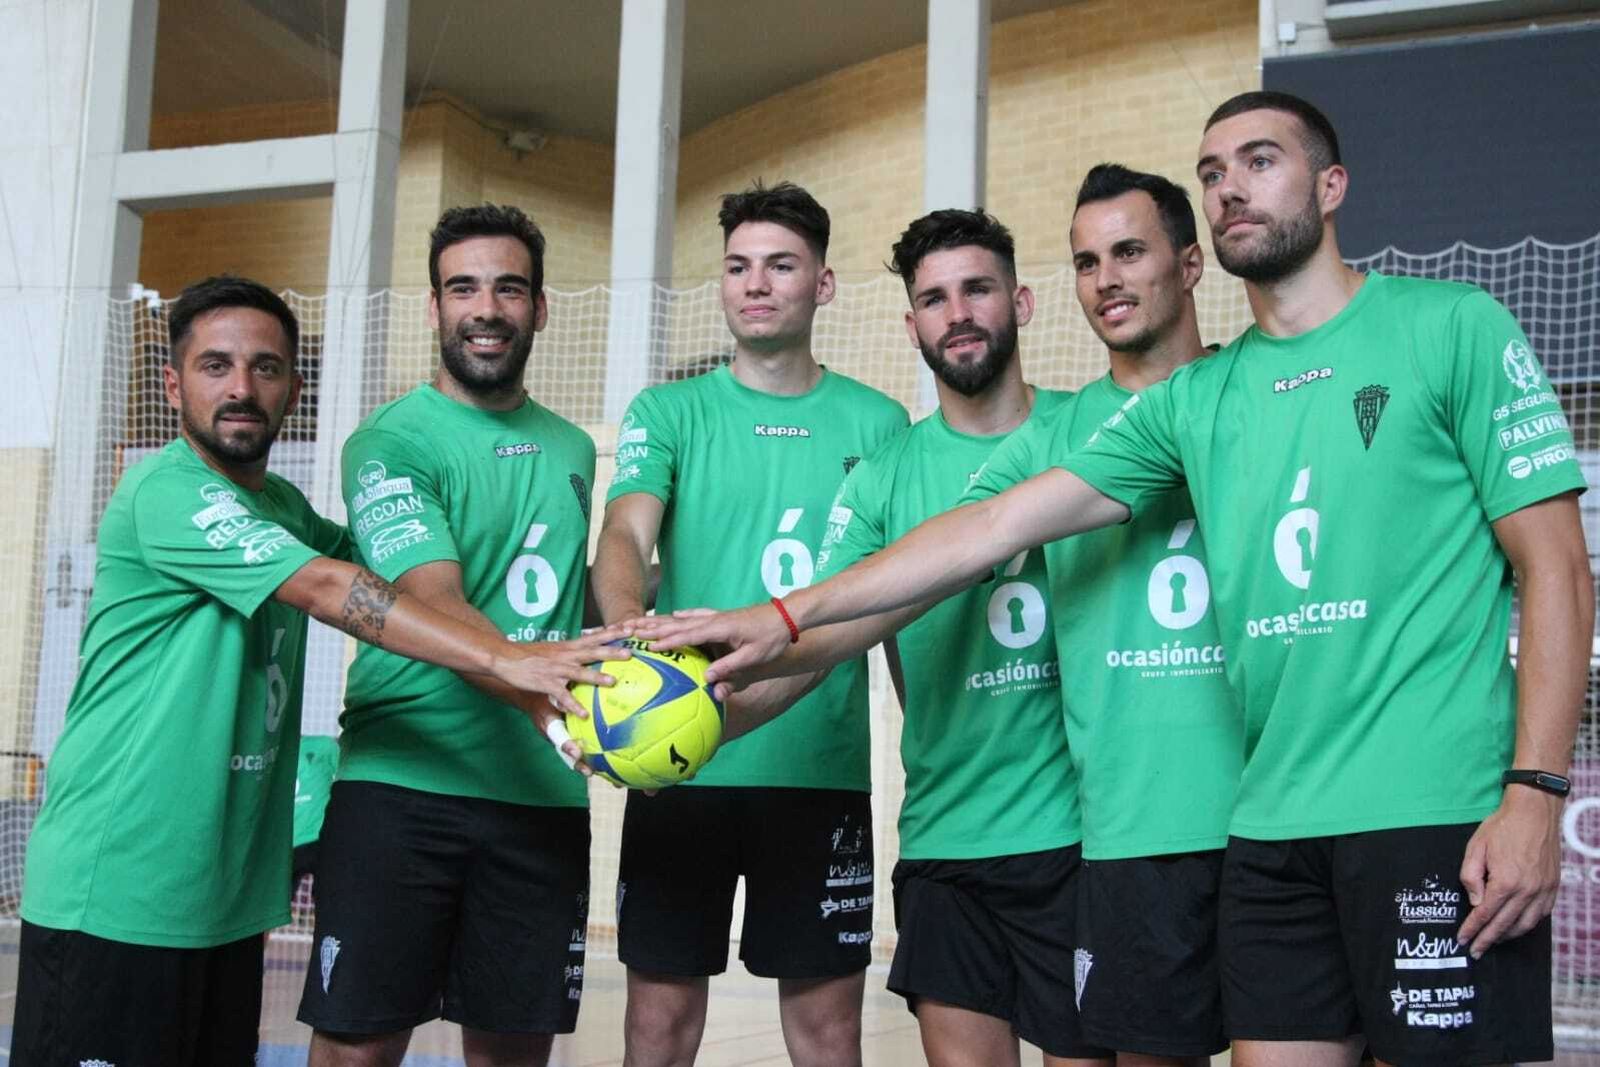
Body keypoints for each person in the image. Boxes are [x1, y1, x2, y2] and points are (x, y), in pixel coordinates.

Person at [645, 92, 1592, 1067]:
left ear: (1330, 182)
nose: (1230, 189)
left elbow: (1556, 562)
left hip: (1429, 811)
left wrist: (1534, 789)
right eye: (1212, 173)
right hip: (1267, 832)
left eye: (1259, 162)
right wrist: (780, 616)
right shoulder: (1192, 401)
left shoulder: (1451, 326)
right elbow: (989, 525)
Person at [12, 275, 621, 1067]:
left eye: (265, 368)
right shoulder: (162, 491)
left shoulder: (286, 509)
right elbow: (339, 588)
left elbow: (405, 565)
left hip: (223, 901)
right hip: (117, 888)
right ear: (172, 384)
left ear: (294, 389)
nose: (241, 388)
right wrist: (513, 660)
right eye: (215, 366)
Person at [593, 180, 908, 1067]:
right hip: (677, 760)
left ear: (824, 283)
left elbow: (889, 601)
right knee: (656, 1027)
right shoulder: (669, 412)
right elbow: (624, 530)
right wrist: (628, 640)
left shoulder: (880, 423)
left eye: (780, 265)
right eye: (737, 266)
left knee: (825, 1033)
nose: (755, 284)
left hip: (818, 773)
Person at [297, 205, 608, 1067]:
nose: (485, 307)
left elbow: (557, 598)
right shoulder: (389, 442)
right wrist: (555, 708)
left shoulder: (573, 447)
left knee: (514, 1053)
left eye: (509, 287)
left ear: (540, 309)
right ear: (433, 309)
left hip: (539, 803)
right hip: (403, 788)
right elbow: (432, 599)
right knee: (357, 1050)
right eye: (462, 286)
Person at [962, 165, 1241, 1066]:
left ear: (1192, 264)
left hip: (1282, 817)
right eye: (1086, 262)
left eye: (1129, 251)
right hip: (1135, 832)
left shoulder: (1257, 390)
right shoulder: (1052, 435)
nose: (1106, 279)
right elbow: (953, 547)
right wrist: (778, 628)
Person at [292, 733, 341, 889]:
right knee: (276, 904)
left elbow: (345, 779)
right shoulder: (268, 754)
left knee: (332, 899)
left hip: (322, 837)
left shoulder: (323, 746)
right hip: (287, 843)